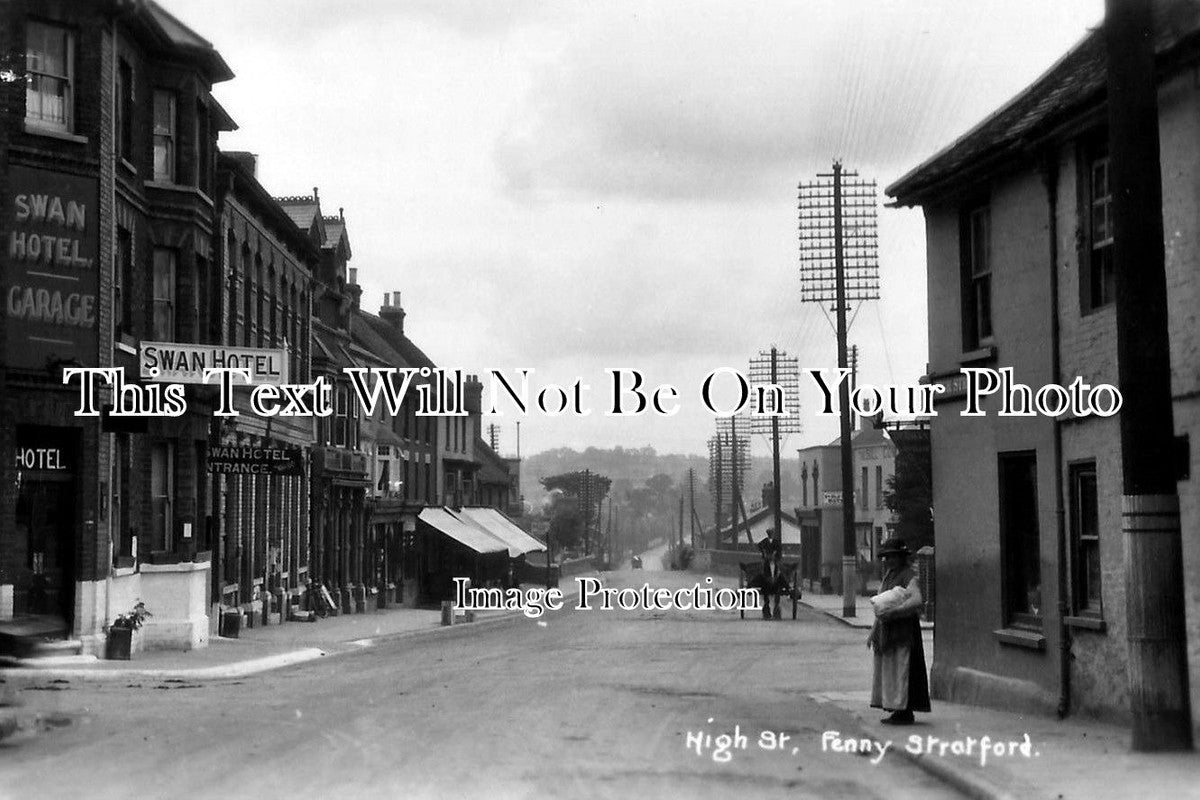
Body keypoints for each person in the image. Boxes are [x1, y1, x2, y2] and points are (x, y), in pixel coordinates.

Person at [867, 537, 931, 725]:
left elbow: (917, 600)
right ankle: (897, 709)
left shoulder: (908, 575)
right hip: (889, 631)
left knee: (902, 670)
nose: (889, 561)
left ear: (902, 557)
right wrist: (873, 633)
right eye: (887, 557)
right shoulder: (889, 576)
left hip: (904, 631)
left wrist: (895, 612)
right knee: (891, 671)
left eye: (893, 557)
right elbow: (880, 606)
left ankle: (905, 711)